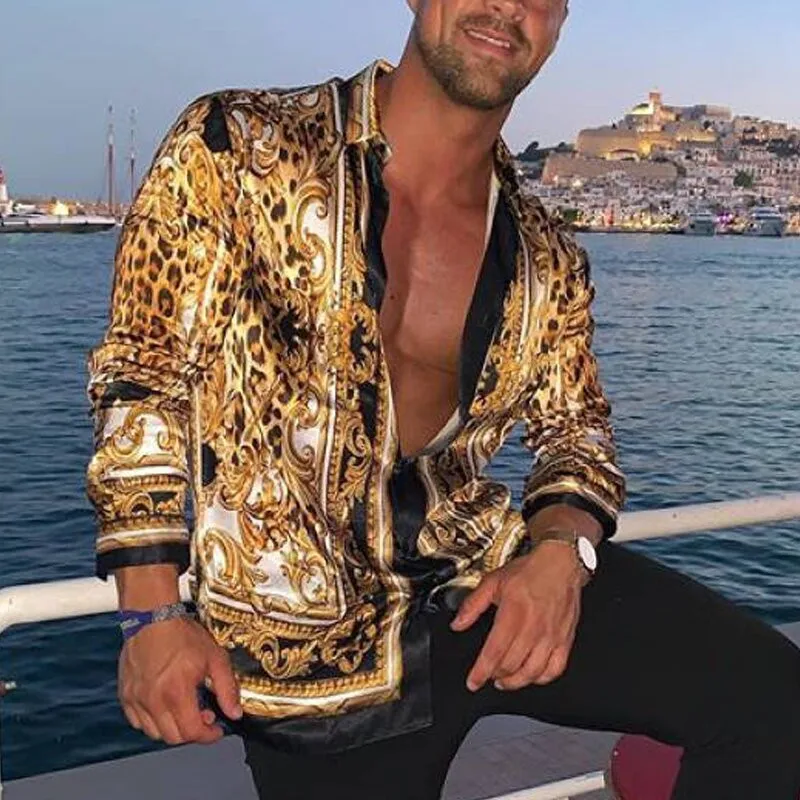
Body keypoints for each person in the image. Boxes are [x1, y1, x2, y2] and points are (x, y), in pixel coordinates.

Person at [86, 1, 800, 798]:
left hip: (481, 581)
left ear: (560, 21)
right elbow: (143, 376)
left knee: (777, 704)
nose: (509, 6)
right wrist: (151, 614)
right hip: (315, 661)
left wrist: (561, 553)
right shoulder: (240, 147)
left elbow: (578, 432)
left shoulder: (543, 253)